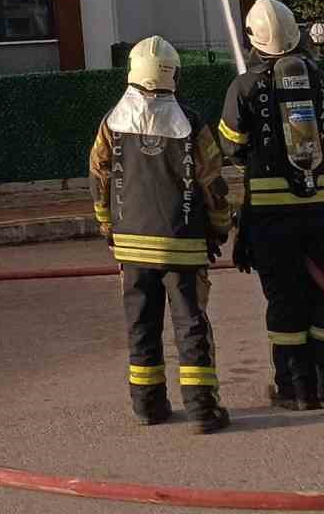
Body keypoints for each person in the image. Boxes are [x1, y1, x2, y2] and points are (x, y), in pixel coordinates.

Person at [89, 35, 232, 433]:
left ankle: (148, 406)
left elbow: (99, 178)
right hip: (184, 246)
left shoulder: (111, 121)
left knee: (141, 325)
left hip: (132, 246)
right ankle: (203, 411)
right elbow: (213, 184)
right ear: (174, 75)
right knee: (191, 324)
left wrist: (107, 226)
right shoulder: (191, 122)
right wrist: (219, 229)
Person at [218, 0, 324, 411]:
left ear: (253, 38)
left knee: (285, 298)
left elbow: (230, 144)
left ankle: (295, 390)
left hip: (273, 211)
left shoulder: (245, 86)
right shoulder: (321, 79)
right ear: (295, 34)